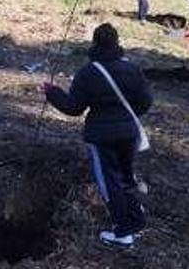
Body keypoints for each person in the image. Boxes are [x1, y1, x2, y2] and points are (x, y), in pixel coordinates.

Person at [42, 23, 153, 248]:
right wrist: (125, 117)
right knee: (126, 177)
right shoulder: (132, 68)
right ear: (117, 42)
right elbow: (145, 102)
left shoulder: (87, 73)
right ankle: (136, 222)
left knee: (109, 183)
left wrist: (52, 93)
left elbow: (73, 108)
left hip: (101, 137)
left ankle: (122, 233)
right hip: (129, 134)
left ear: (94, 43)